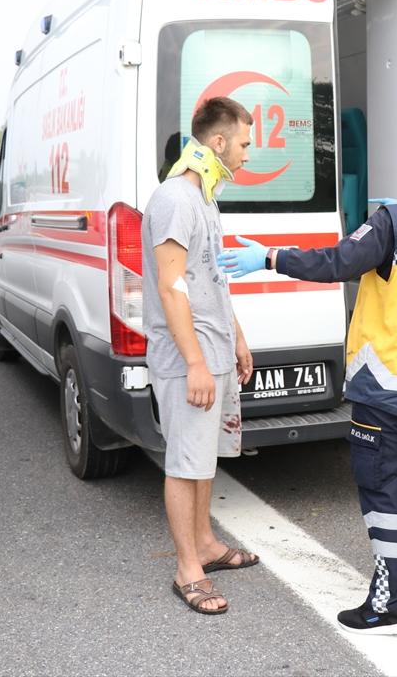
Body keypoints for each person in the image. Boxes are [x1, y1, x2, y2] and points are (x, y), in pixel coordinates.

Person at [219, 138, 397, 635]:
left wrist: (269, 258)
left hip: (391, 386)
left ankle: (393, 605)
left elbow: (335, 263)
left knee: (387, 490)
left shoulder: (395, 222)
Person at [142, 96, 260, 616]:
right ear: (218, 142)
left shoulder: (206, 198)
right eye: (244, 144)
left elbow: (211, 277)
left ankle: (207, 544)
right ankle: (187, 568)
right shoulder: (174, 199)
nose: (248, 155)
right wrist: (193, 362)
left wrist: (235, 336)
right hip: (184, 355)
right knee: (185, 462)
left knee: (205, 457)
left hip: (213, 348)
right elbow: (171, 289)